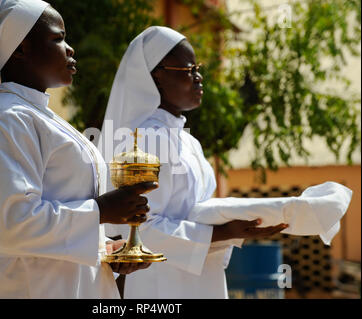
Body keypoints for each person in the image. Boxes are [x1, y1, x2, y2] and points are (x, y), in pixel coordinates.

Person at [0, 0, 152, 299]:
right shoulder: (6, 120)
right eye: (58, 38)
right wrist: (102, 211)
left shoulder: (38, 117)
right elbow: (15, 224)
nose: (70, 49)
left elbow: (60, 213)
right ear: (22, 48)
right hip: (28, 287)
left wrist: (104, 249)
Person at [98, 26, 352, 299]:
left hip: (202, 274)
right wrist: (221, 232)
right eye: (188, 70)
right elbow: (140, 229)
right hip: (160, 282)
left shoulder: (188, 141)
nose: (199, 78)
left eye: (198, 68)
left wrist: (244, 219)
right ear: (157, 77)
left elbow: (197, 210)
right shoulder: (144, 140)